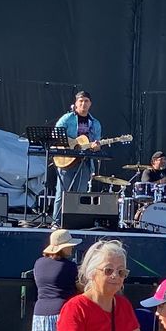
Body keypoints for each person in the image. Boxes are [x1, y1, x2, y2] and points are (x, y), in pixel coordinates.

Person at [52, 90, 102, 228]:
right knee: (62, 193)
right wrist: (71, 143)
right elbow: (55, 135)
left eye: (86, 101)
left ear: (90, 104)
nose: (83, 104)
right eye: (81, 101)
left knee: (80, 194)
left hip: (84, 162)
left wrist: (96, 147)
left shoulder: (95, 123)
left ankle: (76, 223)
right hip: (66, 160)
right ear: (76, 103)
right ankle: (56, 222)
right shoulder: (67, 118)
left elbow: (96, 143)